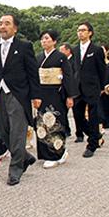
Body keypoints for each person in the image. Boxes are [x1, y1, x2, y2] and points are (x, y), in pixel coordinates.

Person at [0, 14, 41, 185]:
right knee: (5, 131)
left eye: (7, 24)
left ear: (15, 28)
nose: (2, 27)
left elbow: (32, 73)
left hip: (18, 94)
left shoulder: (24, 46)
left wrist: (36, 95)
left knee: (17, 131)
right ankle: (25, 156)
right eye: (0, 24)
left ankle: (15, 169)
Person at [35, 30, 76, 168]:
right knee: (42, 123)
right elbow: (34, 78)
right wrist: (34, 95)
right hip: (42, 93)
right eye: (42, 39)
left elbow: (68, 77)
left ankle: (57, 153)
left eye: (47, 38)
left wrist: (70, 95)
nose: (44, 41)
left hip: (56, 93)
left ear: (54, 41)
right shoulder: (38, 58)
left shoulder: (61, 57)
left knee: (55, 122)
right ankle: (45, 153)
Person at [71, 22, 106, 158]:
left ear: (90, 32)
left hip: (92, 88)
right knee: (78, 116)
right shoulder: (75, 50)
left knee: (93, 117)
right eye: (79, 30)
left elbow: (101, 70)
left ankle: (91, 145)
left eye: (83, 30)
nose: (80, 33)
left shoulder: (96, 50)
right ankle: (96, 136)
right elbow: (73, 69)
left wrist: (102, 87)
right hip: (77, 88)